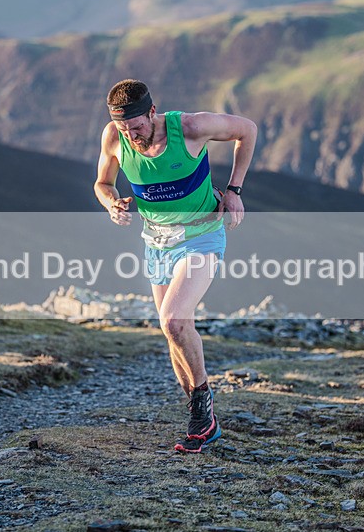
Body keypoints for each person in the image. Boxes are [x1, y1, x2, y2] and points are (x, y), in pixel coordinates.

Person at [94, 79, 257, 453]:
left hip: (201, 234)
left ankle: (204, 409)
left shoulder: (190, 128)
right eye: (124, 128)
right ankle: (199, 416)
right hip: (157, 242)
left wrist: (233, 191)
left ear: (153, 112)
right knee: (174, 334)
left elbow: (247, 131)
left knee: (174, 320)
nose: (132, 135)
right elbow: (102, 182)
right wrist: (110, 202)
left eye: (137, 126)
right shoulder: (114, 137)